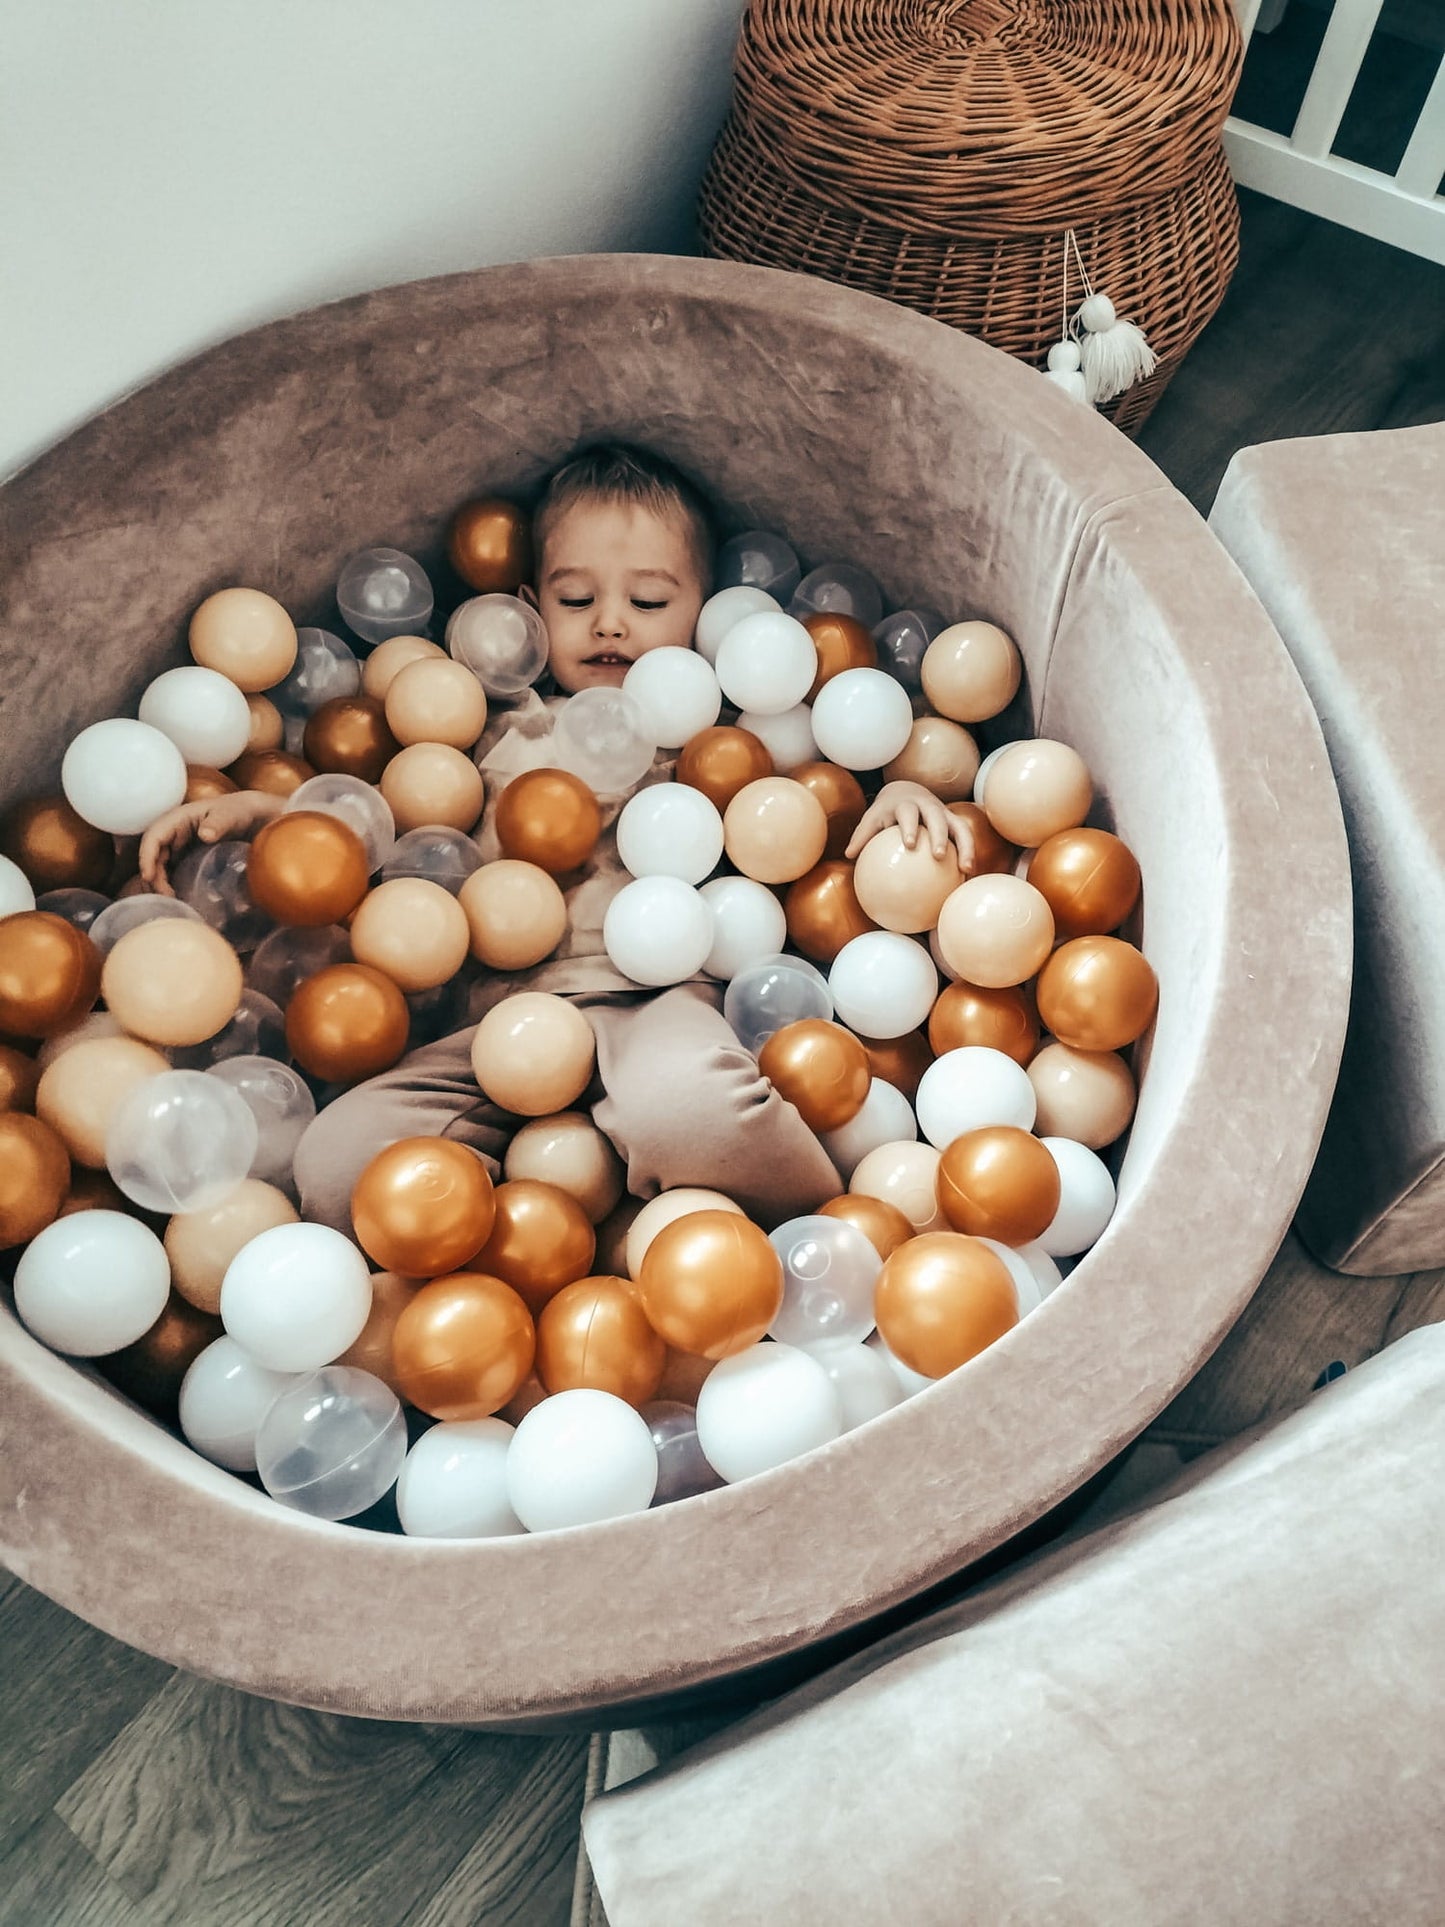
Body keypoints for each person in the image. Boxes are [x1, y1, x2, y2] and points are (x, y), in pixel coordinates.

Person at [140, 441, 970, 1233]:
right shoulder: (482, 725)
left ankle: (816, 1231)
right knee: (337, 1161)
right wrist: (268, 814)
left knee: (694, 1111)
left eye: (648, 602)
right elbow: (380, 835)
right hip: (487, 1020)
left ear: (706, 614)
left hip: (648, 999)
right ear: (528, 616)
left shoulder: (719, 730)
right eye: (576, 601)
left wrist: (892, 790)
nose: (610, 623)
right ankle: (515, 1235)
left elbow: (803, 820)